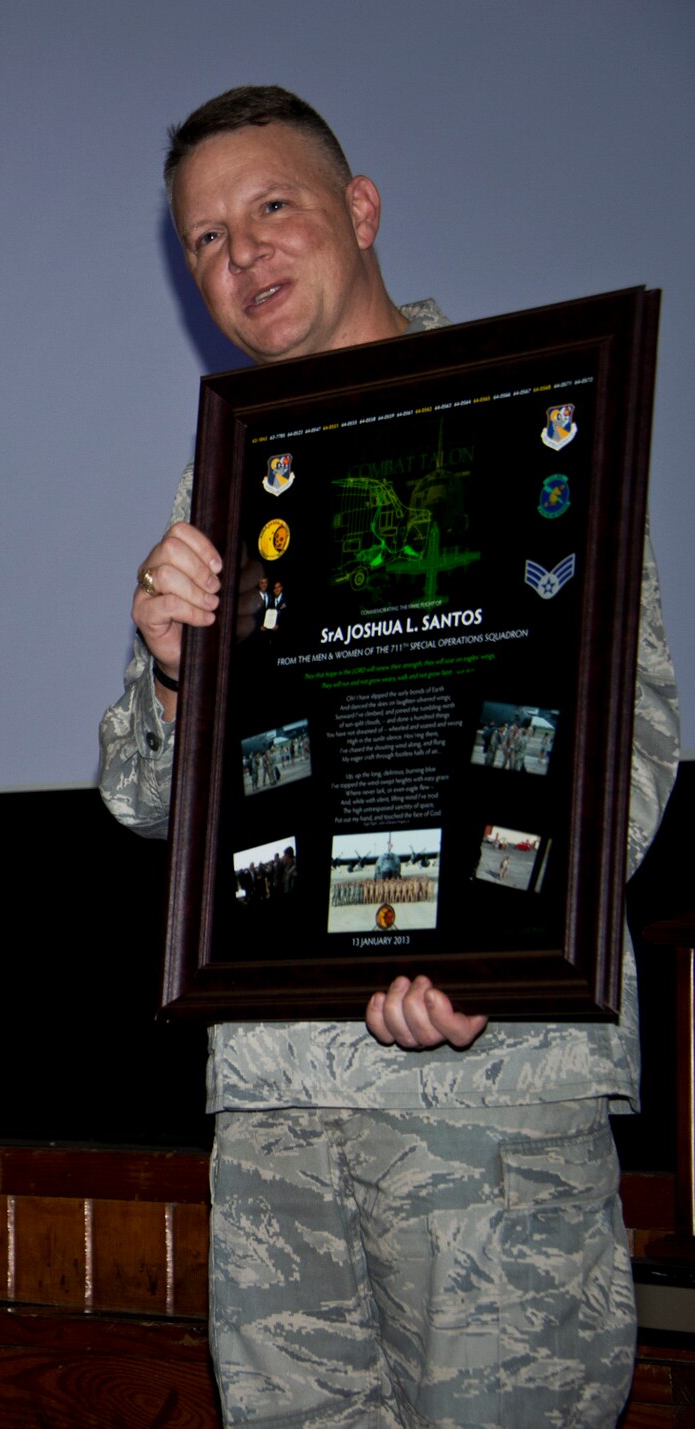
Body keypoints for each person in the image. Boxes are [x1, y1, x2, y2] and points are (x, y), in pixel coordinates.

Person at [98, 88, 679, 1426]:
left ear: (360, 213)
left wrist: (491, 946)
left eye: (272, 209)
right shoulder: (229, 489)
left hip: (482, 1083)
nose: (239, 258)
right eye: (202, 240)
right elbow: (139, 800)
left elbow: (626, 732)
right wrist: (173, 671)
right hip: (278, 1107)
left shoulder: (535, 416)